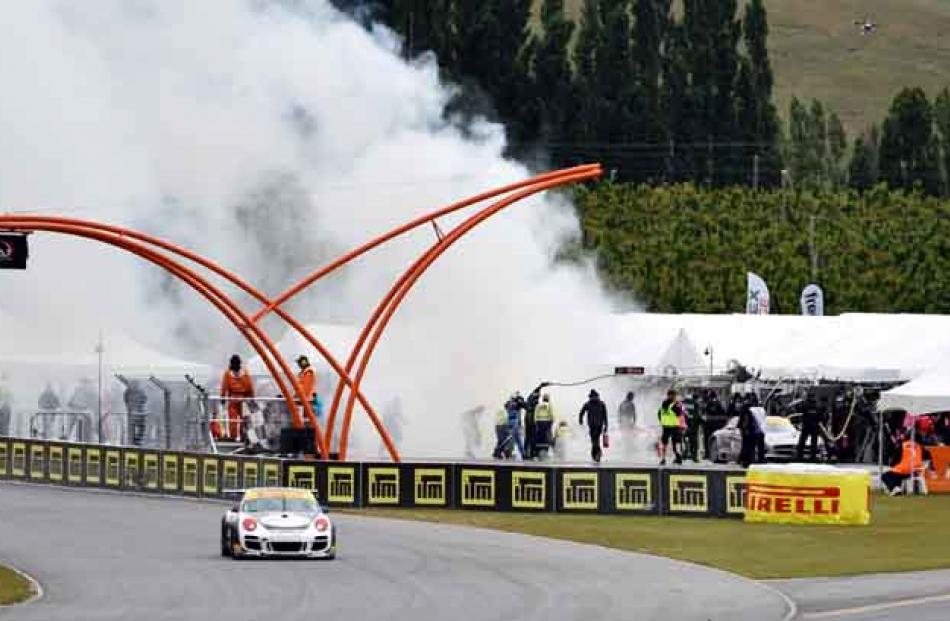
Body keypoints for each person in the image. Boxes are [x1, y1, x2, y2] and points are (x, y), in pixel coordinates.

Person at [219, 354, 255, 441]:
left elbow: (250, 387)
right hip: (235, 399)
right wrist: (223, 397)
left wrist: (223, 398)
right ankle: (237, 437)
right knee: (235, 420)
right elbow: (250, 388)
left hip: (241, 399)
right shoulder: (229, 374)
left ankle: (241, 437)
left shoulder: (241, 373)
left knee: (242, 420)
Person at [881, 430, 924, 496]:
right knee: (896, 474)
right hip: (916, 471)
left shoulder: (902, 446)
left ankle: (894, 488)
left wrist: (892, 464)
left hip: (904, 471)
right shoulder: (920, 447)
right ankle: (898, 489)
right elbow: (927, 456)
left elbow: (895, 459)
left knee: (885, 475)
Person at [578, 389, 608, 462]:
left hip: (592, 425)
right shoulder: (602, 404)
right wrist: (606, 425)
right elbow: (605, 416)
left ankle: (597, 453)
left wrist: (580, 420)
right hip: (599, 425)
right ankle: (596, 455)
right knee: (595, 440)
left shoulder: (588, 404)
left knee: (594, 440)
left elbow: (581, 413)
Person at [657, 389, 684, 465]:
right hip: (674, 426)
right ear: (671, 395)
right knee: (676, 442)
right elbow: (680, 414)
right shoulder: (675, 404)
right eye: (674, 395)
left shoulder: (663, 404)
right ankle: (678, 457)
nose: (675, 397)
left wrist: (662, 421)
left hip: (666, 426)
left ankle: (663, 459)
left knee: (664, 443)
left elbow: (659, 414)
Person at [739, 394, 766, 467]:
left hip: (752, 431)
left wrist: (744, 429)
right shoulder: (762, 409)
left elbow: (746, 420)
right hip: (762, 430)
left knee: (749, 447)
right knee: (760, 447)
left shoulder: (749, 409)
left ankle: (747, 461)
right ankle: (761, 460)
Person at [796, 394, 822, 461]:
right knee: (811, 441)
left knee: (803, 441)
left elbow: (800, 410)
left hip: (808, 425)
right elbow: (820, 415)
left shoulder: (805, 404)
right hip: (812, 425)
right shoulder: (817, 405)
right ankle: (811, 456)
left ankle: (801, 455)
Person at [296, 355, 320, 421]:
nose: (298, 365)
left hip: (306, 401)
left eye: (299, 363)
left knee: (306, 420)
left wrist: (298, 396)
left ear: (303, 363)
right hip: (304, 400)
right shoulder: (304, 373)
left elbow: (306, 388)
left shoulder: (308, 373)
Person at [684, 394, 705, 463]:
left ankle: (683, 455)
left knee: (684, 441)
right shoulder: (696, 404)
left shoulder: (685, 403)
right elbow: (698, 416)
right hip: (693, 427)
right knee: (694, 443)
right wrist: (703, 421)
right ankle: (694, 457)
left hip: (685, 426)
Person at [533, 393, 555, 458]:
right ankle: (546, 450)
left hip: (539, 422)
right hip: (547, 422)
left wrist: (536, 422)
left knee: (539, 437)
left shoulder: (538, 405)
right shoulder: (549, 405)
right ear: (548, 399)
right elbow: (552, 414)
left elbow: (535, 414)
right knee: (547, 436)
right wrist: (552, 421)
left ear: (543, 399)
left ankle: (538, 450)